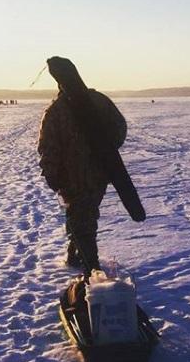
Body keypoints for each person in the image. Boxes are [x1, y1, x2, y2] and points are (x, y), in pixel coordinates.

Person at [38, 57, 145, 273]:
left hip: (75, 178)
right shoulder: (99, 100)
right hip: (100, 174)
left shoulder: (56, 111)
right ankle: (74, 256)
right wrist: (106, 150)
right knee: (83, 215)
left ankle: (91, 269)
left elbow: (47, 148)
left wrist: (53, 175)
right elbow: (119, 128)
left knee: (82, 218)